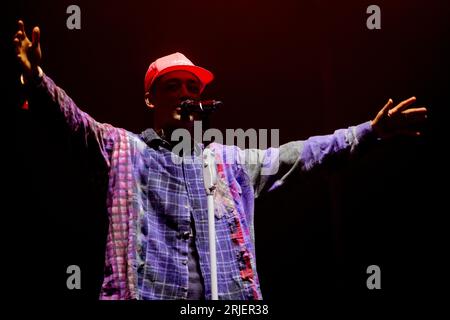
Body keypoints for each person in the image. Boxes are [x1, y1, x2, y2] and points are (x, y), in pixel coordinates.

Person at [13, 20, 428, 300]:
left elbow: (303, 155)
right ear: (150, 98)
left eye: (190, 86)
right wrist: (37, 80)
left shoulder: (229, 163)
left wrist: (370, 132)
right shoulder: (124, 149)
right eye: (171, 86)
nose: (182, 93)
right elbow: (73, 124)